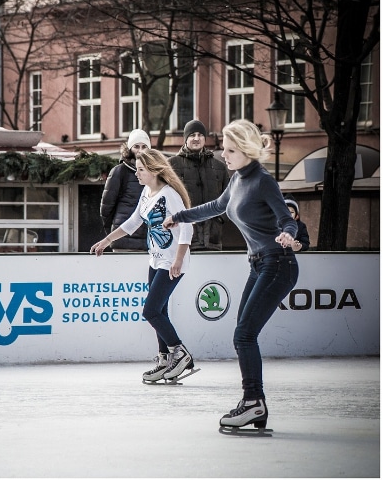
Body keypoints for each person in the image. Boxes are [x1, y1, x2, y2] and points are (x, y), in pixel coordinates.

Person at [163, 119, 299, 429]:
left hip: (278, 262)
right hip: (259, 263)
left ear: (247, 150)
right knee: (243, 332)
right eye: (224, 149)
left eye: (230, 150)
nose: (224, 155)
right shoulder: (237, 179)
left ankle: (253, 402)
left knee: (243, 335)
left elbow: (285, 218)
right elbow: (215, 206)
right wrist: (179, 216)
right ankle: (255, 403)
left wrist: (288, 234)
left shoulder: (263, 181)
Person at [91, 148, 196, 383]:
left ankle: (180, 354)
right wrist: (107, 241)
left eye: (140, 170)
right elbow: (133, 222)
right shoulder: (147, 192)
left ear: (153, 170)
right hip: (156, 259)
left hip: (171, 261)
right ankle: (164, 359)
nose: (136, 174)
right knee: (160, 311)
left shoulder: (169, 194)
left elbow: (186, 227)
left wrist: (179, 259)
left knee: (150, 311)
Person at [168, 119, 230, 251]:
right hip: (183, 239)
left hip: (213, 237)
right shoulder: (171, 165)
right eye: (192, 135)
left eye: (200, 135)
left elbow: (229, 198)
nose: (197, 138)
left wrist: (220, 219)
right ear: (185, 138)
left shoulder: (219, 166)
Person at [100, 129, 151, 252]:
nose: (140, 150)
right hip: (124, 241)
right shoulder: (119, 171)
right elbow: (106, 208)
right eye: (136, 146)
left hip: (149, 241)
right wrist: (113, 234)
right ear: (129, 148)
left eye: (144, 146)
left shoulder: (155, 172)